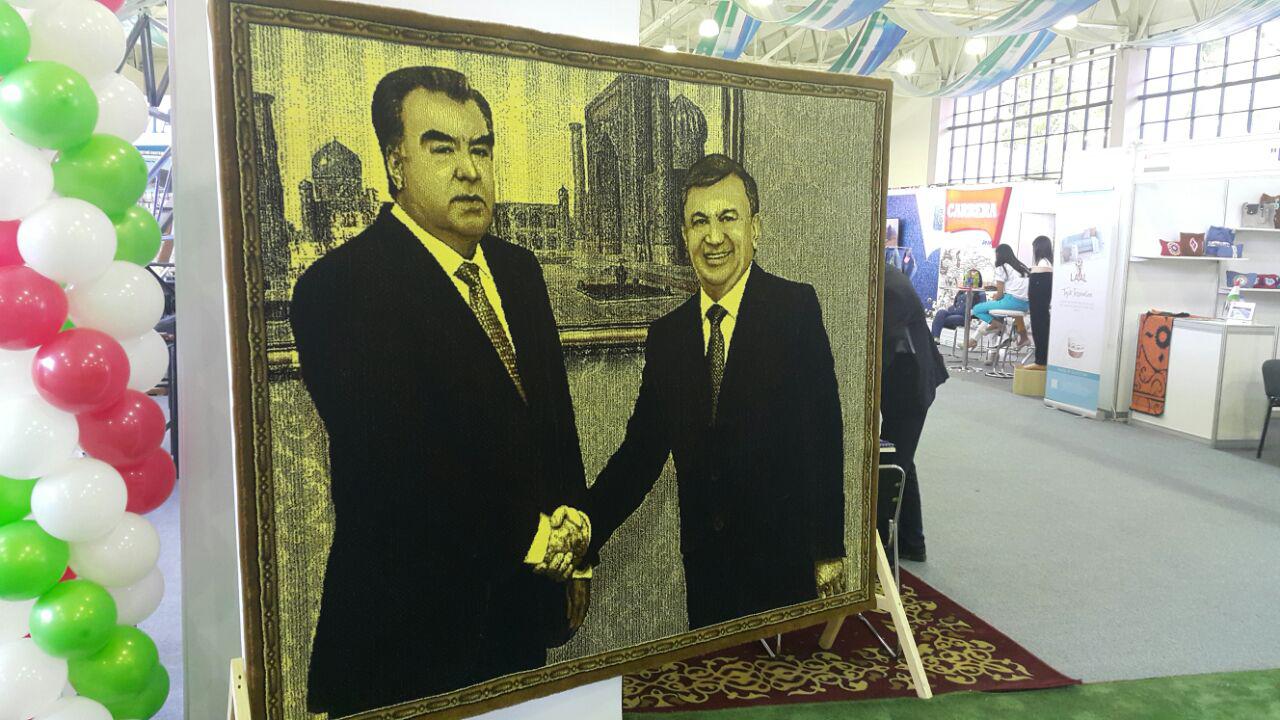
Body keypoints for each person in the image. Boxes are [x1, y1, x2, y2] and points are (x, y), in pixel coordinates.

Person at [291, 66, 590, 716]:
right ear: (395, 162)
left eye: (480, 148)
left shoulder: (519, 271)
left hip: (519, 617)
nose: (469, 170)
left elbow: (553, 428)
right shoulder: (339, 288)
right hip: (408, 639)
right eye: (442, 148)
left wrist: (577, 551)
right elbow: (400, 470)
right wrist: (540, 543)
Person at [574, 154, 847, 629]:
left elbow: (823, 438)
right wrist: (584, 533)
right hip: (707, 574)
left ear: (755, 228)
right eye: (699, 221)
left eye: (728, 218)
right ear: (685, 236)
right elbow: (638, 457)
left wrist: (828, 549)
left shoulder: (794, 311)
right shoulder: (668, 337)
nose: (714, 237)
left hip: (784, 566)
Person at [881, 263, 948, 562]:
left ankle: (881, 547)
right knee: (901, 459)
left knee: (891, 464)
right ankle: (912, 541)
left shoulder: (888, 289)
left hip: (911, 388)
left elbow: (878, 350)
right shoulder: (886, 277)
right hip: (904, 383)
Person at [969, 243, 1030, 348]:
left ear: (998, 254)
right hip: (1026, 305)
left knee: (976, 309)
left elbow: (1000, 295)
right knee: (1008, 312)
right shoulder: (1022, 267)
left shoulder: (1002, 268)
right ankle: (1023, 337)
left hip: (1012, 302)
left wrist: (995, 298)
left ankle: (998, 326)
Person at [1025, 235, 1053, 369]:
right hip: (1043, 303)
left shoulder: (1043, 264)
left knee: (1039, 327)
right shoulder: (1048, 262)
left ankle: (1040, 361)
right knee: (1042, 326)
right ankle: (1041, 360)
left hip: (1039, 303)